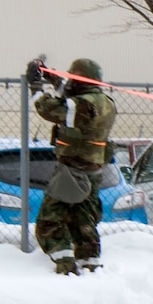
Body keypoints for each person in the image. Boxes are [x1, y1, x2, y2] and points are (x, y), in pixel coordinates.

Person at [30, 57, 117, 275]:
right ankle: (91, 264)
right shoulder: (104, 101)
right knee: (84, 221)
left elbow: (49, 108)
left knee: (49, 221)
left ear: (80, 80)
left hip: (72, 171)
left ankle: (65, 265)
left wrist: (36, 86)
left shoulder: (83, 104)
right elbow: (71, 99)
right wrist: (54, 78)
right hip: (93, 171)